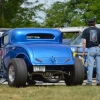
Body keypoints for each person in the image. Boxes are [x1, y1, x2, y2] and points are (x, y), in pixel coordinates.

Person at [82, 18, 100, 86]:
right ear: (94, 23)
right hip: (98, 49)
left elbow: (84, 42)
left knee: (90, 66)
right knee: (99, 66)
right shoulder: (99, 30)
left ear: (88, 23)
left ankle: (89, 82)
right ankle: (99, 82)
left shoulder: (86, 30)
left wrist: (83, 51)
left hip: (90, 49)